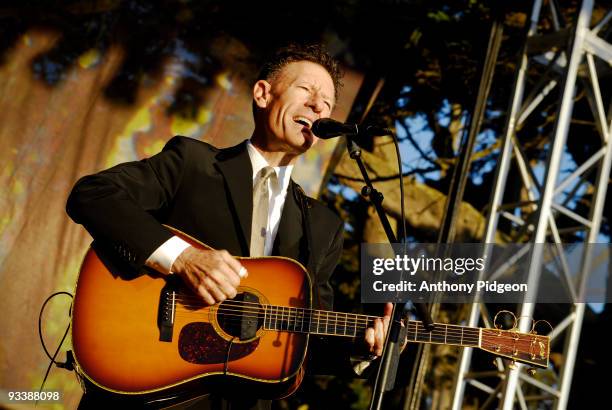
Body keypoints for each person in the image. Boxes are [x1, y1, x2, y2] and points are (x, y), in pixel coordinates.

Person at [67, 43, 393, 409]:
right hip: (146, 393)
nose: (319, 106)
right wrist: (183, 258)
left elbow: (302, 343)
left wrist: (359, 348)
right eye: (307, 90)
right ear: (263, 94)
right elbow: (93, 194)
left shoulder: (322, 226)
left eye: (328, 103)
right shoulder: (193, 163)